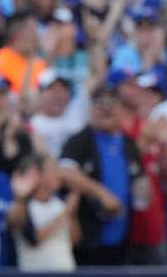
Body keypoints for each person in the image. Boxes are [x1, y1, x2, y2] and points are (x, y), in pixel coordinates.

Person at [57, 87, 138, 266]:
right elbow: (64, 172)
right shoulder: (79, 141)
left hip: (123, 238)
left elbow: (138, 176)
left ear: (121, 110)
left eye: (111, 105)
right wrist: (101, 194)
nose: (105, 110)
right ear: (90, 109)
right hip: (87, 239)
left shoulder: (128, 142)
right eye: (99, 105)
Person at [7, 155, 79, 271]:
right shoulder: (22, 206)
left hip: (66, 273)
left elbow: (74, 240)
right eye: (52, 169)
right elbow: (33, 239)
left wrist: (72, 214)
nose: (58, 174)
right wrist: (65, 214)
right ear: (37, 174)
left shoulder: (60, 203)